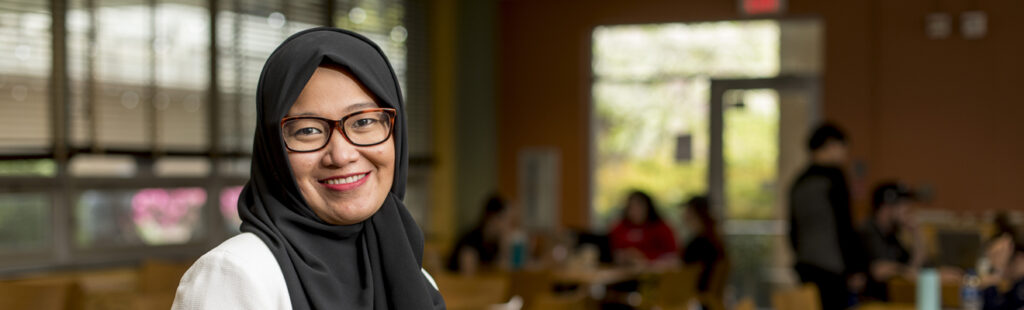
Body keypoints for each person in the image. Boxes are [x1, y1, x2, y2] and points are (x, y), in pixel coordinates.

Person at [172, 28, 445, 309]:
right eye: (309, 130)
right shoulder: (235, 276)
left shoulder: (413, 277)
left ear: (395, 133)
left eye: (363, 122)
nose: (341, 155)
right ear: (274, 151)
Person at [788, 123, 866, 310]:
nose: (845, 156)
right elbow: (843, 225)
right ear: (831, 145)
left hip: (805, 264)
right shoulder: (834, 177)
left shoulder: (799, 181)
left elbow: (793, 228)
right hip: (833, 268)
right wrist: (855, 268)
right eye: (843, 148)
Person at [858, 182, 925, 302]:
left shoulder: (891, 235)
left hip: (892, 300)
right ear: (886, 207)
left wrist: (916, 234)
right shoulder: (867, 231)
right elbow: (879, 270)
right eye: (903, 205)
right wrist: (910, 273)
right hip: (869, 303)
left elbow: (913, 266)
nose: (908, 209)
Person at [680, 195, 727, 310]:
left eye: (686, 211)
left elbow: (684, 270)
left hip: (696, 295)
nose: (683, 215)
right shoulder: (713, 239)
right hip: (707, 297)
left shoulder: (700, 244)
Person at [608, 190, 678, 267]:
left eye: (639, 206)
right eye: (631, 207)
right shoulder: (620, 228)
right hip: (624, 271)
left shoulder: (661, 228)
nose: (635, 211)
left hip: (655, 273)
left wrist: (645, 259)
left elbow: (672, 256)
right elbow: (612, 252)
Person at [446, 194, 510, 273]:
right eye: (506, 219)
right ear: (494, 218)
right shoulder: (471, 241)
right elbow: (469, 276)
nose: (508, 225)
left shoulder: (494, 242)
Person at [981, 235, 1024, 310]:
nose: (993, 263)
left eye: (997, 255)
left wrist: (998, 272)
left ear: (1019, 257)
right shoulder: (1012, 285)